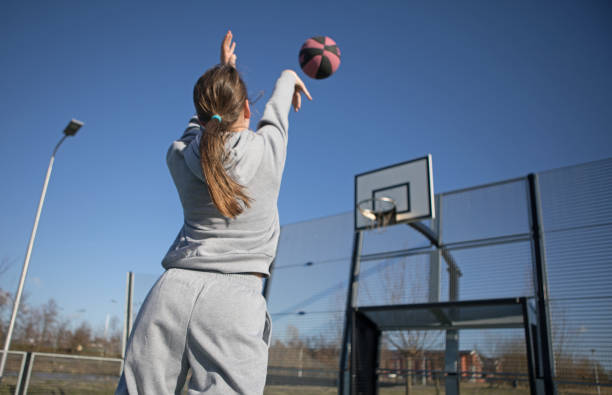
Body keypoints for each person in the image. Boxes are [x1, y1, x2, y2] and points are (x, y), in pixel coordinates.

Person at [115, 30, 311, 394]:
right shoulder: (268, 152)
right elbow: (276, 113)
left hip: (169, 294)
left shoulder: (177, 156)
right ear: (247, 109)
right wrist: (288, 77)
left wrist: (223, 73)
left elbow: (200, 129)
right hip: (234, 303)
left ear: (203, 116)